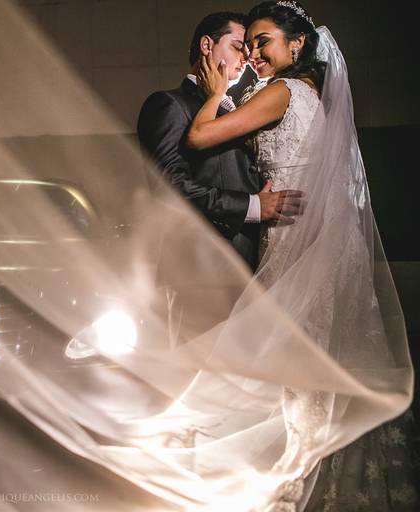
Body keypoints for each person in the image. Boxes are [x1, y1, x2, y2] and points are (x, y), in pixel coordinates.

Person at [186, 1, 417, 510]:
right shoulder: (313, 95)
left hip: (297, 238)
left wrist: (218, 91)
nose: (254, 52)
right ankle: (323, 479)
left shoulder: (283, 91)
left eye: (263, 41)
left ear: (297, 45)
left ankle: (295, 485)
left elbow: (199, 136)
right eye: (250, 43)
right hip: (321, 235)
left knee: (293, 363)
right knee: (316, 359)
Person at [136, 11, 303, 271]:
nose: (247, 56)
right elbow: (169, 185)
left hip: (253, 256)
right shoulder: (169, 104)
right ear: (206, 45)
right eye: (238, 46)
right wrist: (253, 206)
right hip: (205, 261)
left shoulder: (238, 109)